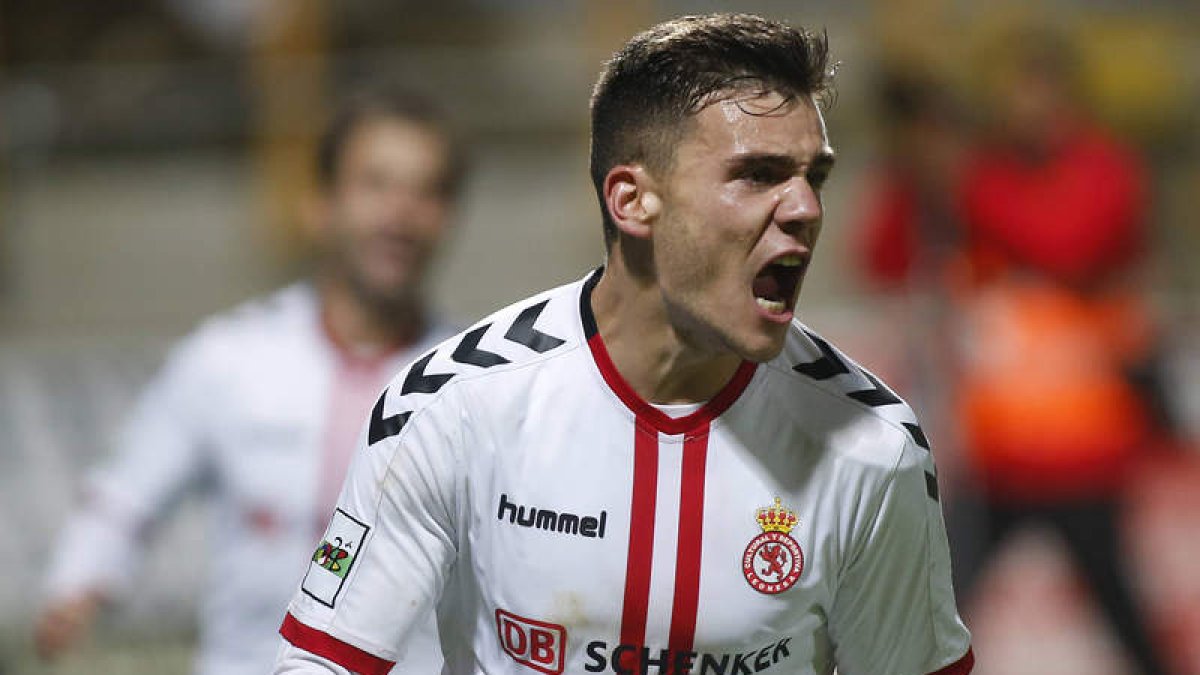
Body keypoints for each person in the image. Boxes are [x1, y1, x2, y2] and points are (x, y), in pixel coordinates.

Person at [274, 14, 974, 675]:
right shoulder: (453, 407)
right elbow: (323, 659)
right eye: (758, 175)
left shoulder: (871, 445)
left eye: (813, 177)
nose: (805, 209)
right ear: (632, 200)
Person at [34, 83, 465, 675]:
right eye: (376, 185)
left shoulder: (477, 380)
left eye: (426, 192)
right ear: (320, 206)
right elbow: (124, 497)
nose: (399, 214)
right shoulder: (228, 357)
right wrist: (77, 585)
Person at [949, 29, 1174, 674]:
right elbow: (886, 249)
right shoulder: (984, 174)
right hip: (1002, 449)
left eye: (1035, 90)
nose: (1024, 109)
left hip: (1085, 446)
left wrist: (978, 192)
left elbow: (1070, 242)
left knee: (1125, 616)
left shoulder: (1102, 171)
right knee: (935, 612)